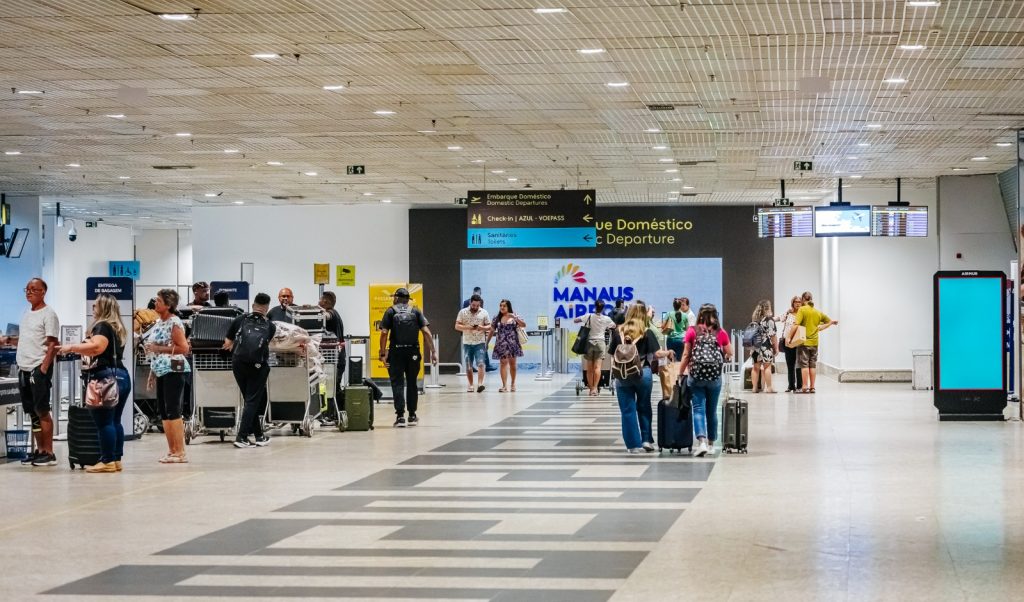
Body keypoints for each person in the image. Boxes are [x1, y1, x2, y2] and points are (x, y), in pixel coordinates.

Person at [57, 294, 132, 473]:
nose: (93, 309)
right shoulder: (118, 328)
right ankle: (115, 459)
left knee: (104, 422)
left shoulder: (102, 326)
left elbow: (97, 347)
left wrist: (71, 347)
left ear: (103, 308)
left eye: (95, 306)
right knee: (115, 421)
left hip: (104, 378)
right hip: (121, 376)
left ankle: (106, 461)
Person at [609, 302, 673, 454]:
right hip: (643, 373)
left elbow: (612, 354)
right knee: (644, 407)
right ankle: (646, 440)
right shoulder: (646, 332)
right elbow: (657, 354)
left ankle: (632, 445)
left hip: (622, 375)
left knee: (627, 410)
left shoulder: (619, 332)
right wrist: (668, 352)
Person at [9, 278, 60, 467]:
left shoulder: (49, 314)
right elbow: (25, 338)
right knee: (32, 412)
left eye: (33, 289)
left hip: (38, 368)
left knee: (42, 410)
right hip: (24, 368)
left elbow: (53, 343)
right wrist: (9, 340)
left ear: (43, 292)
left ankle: (49, 452)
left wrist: (44, 368)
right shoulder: (27, 313)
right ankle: (39, 451)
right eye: (27, 289)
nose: (29, 292)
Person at [143, 288, 191, 463]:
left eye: (159, 301)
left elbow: (184, 348)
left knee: (173, 410)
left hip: (174, 370)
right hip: (161, 369)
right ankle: (172, 450)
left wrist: (159, 349)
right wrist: (152, 374)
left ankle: (180, 452)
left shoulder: (174, 322)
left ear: (168, 305)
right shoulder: (158, 322)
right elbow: (154, 351)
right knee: (163, 412)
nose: (155, 303)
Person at [680, 303, 733, 457]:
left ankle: (701, 442)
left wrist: (680, 373)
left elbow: (686, 355)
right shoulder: (720, 332)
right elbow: (730, 352)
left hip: (696, 377)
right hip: (714, 377)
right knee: (712, 411)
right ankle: (711, 444)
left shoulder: (692, 331)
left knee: (698, 409)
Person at [224, 292, 276, 448]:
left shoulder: (240, 319)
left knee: (249, 401)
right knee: (252, 401)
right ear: (266, 308)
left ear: (253, 305)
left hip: (238, 363)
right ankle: (241, 437)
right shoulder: (270, 326)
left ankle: (259, 436)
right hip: (258, 366)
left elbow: (227, 342)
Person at [378, 288, 437, 428]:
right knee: (412, 383)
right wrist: (433, 352)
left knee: (397, 383)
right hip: (413, 353)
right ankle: (412, 415)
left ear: (396, 298)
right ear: (408, 299)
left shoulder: (390, 311)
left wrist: (382, 353)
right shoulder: (415, 311)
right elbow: (426, 332)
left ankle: (400, 417)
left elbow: (384, 334)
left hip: (396, 352)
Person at [790, 291, 838, 394]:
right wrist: (822, 327)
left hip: (803, 343)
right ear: (811, 299)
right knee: (812, 365)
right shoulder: (817, 312)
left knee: (804, 365)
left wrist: (789, 338)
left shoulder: (802, 310)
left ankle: (804, 386)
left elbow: (796, 324)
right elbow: (829, 321)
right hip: (815, 343)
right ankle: (812, 387)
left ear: (803, 299)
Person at [574, 300, 615, 396]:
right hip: (600, 343)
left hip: (589, 343)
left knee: (589, 368)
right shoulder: (606, 318)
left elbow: (576, 320)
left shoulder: (588, 316)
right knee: (597, 367)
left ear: (595, 306)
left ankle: (590, 388)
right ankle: (595, 389)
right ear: (603, 308)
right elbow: (614, 326)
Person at [319, 290, 347, 421]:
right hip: (334, 357)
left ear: (325, 302)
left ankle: (337, 413)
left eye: (320, 300)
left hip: (335, 358)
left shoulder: (332, 314)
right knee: (330, 385)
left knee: (333, 386)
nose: (318, 301)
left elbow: (326, 316)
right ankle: (332, 414)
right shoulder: (336, 314)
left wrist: (314, 312)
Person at [456, 294, 491, 393]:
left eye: (477, 305)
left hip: (480, 342)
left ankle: (480, 384)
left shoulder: (484, 312)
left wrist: (481, 328)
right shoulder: (462, 312)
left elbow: (489, 326)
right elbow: (457, 326)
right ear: (470, 302)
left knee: (480, 363)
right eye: (473, 305)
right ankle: (470, 385)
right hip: (467, 342)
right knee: (468, 365)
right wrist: (468, 327)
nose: (475, 307)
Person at [490, 299, 526, 392]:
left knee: (512, 364)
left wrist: (515, 318)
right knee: (503, 363)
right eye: (501, 305)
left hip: (512, 343)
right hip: (501, 344)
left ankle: (513, 383)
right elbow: (491, 330)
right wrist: (487, 342)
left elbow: (523, 325)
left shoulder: (514, 315)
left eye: (504, 306)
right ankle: (504, 385)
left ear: (508, 307)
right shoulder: (496, 317)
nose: (502, 307)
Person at [749, 299, 779, 394]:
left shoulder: (755, 320)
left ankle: (754, 388)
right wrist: (776, 348)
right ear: (768, 308)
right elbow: (773, 335)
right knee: (767, 367)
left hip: (755, 347)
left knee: (755, 368)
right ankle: (769, 388)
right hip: (766, 346)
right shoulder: (769, 320)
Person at [781, 296, 804, 393]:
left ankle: (799, 386)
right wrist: (787, 312)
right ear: (793, 303)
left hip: (798, 342)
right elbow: (781, 319)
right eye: (795, 302)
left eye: (799, 302)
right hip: (787, 341)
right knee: (790, 365)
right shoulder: (789, 313)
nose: (797, 303)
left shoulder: (803, 313)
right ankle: (791, 386)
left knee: (798, 365)